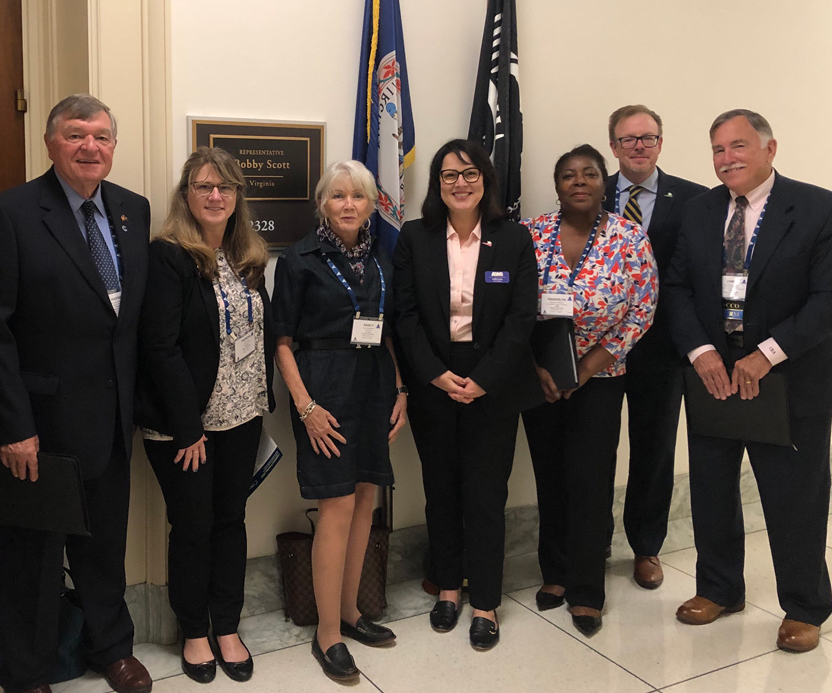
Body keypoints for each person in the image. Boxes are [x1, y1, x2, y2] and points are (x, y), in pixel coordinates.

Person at [666, 109, 832, 653]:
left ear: (770, 149)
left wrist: (767, 354)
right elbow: (675, 287)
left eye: (739, 146)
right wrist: (701, 351)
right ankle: (719, 588)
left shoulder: (819, 207)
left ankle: (804, 606)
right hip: (714, 378)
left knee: (795, 497)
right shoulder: (700, 211)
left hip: (790, 380)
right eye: (718, 150)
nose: (728, 159)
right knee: (712, 491)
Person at [0, 94, 152, 693]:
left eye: (102, 136)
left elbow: (131, 322)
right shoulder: (12, 212)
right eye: (77, 135)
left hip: (111, 419)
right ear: (51, 142)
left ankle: (113, 648)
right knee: (33, 555)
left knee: (105, 546)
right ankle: (25, 672)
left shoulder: (134, 210)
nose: (91, 147)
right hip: (42, 424)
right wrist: (14, 425)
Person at [135, 147, 275, 684]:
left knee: (230, 521)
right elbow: (159, 347)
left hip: (241, 416)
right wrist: (188, 426)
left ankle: (228, 625)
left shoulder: (248, 258)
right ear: (187, 195)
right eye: (203, 187)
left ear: (238, 197)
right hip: (185, 426)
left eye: (225, 187)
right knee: (192, 526)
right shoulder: (170, 255)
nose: (215, 196)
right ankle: (194, 630)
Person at [393, 139, 539, 651]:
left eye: (470, 174)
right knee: (441, 491)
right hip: (434, 383)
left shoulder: (514, 239)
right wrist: (434, 374)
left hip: (492, 385)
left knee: (486, 494)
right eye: (450, 175)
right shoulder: (415, 237)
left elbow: (523, 319)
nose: (460, 183)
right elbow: (403, 316)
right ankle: (449, 588)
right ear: (437, 184)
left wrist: (485, 378)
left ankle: (487, 603)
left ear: (486, 181)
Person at [271, 161, 406, 681]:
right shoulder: (300, 259)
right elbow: (281, 341)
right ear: (322, 204)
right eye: (338, 196)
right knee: (337, 503)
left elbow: (387, 329)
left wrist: (400, 389)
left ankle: (351, 613)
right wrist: (305, 407)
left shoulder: (381, 258)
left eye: (359, 197)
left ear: (373, 204)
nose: (349, 205)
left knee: (367, 496)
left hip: (373, 381)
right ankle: (327, 633)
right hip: (322, 387)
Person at [521, 144, 658, 636]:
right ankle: (554, 575)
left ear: (605, 182)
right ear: (556, 185)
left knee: (589, 480)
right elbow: (511, 309)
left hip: (599, 381)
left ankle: (585, 589)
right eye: (567, 175)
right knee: (549, 475)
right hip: (539, 379)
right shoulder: (531, 234)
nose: (578, 182)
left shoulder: (628, 237)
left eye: (589, 174)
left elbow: (641, 310)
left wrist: (585, 368)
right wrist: (540, 367)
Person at [603, 105, 708, 589]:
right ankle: (593, 540)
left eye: (647, 138)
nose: (638, 146)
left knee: (654, 450)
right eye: (628, 139)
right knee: (595, 449)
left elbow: (700, 278)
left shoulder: (694, 200)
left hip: (663, 350)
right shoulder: (589, 192)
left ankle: (646, 547)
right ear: (614, 146)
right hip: (597, 353)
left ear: (661, 143)